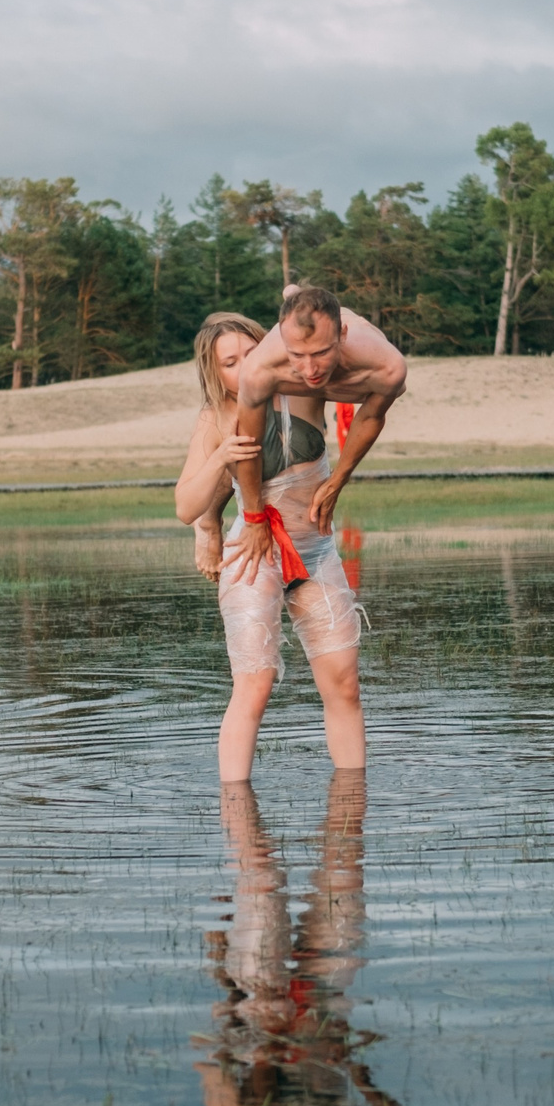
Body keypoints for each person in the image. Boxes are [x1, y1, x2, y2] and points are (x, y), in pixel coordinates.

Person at [197, 773, 425, 1106]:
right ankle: (337, 798)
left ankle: (228, 921)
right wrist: (357, 1072)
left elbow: (255, 1093)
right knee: (342, 878)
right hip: (319, 1033)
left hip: (262, 1028)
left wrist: (272, 1038)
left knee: (261, 886)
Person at [176, 309, 366, 781]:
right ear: (215, 373)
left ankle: (350, 804)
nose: (244, 366)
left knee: (344, 684)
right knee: (254, 687)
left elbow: (366, 371)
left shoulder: (304, 386)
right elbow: (184, 505)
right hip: (252, 558)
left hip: (315, 553)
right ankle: (236, 808)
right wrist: (219, 457)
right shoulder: (214, 417)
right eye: (230, 362)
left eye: (251, 352)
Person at [222, 284, 407, 572]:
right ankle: (293, 292)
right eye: (297, 355)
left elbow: (371, 417)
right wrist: (254, 519)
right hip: (287, 376)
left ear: (341, 335)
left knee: (398, 387)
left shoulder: (386, 367)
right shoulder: (260, 371)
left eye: (321, 353)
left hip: (353, 378)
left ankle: (296, 292)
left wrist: (337, 481)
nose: (310, 370)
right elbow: (249, 445)